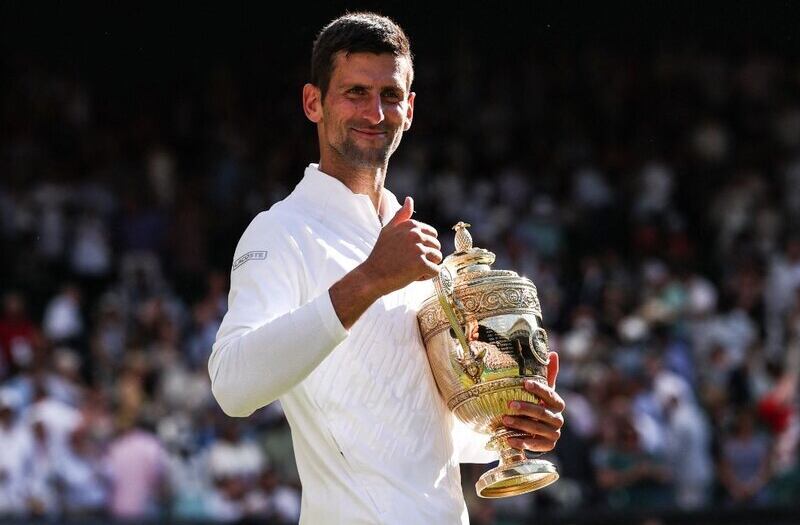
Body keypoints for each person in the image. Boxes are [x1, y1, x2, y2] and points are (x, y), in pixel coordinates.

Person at [208, 12, 565, 524]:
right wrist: (371, 278)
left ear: (410, 108)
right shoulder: (280, 232)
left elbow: (425, 434)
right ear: (314, 102)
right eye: (355, 92)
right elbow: (232, 386)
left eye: (390, 95)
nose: (375, 112)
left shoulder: (408, 240)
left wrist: (508, 424)